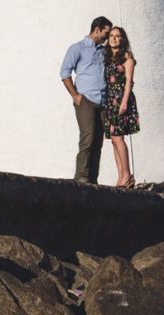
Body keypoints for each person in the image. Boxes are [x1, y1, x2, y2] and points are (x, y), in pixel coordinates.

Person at [60, 16, 113, 182]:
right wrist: (75, 95)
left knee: (98, 143)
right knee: (87, 139)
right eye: (106, 33)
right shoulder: (78, 48)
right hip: (86, 101)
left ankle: (93, 179)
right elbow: (65, 72)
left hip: (102, 102)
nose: (108, 37)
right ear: (97, 29)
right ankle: (81, 178)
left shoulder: (103, 51)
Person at [102, 26, 141, 187]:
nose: (114, 38)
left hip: (121, 100)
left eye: (117, 36)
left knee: (118, 137)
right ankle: (121, 176)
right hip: (110, 101)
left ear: (122, 39)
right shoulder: (108, 58)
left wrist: (124, 102)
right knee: (113, 139)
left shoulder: (127, 58)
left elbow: (129, 82)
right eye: (111, 36)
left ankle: (127, 175)